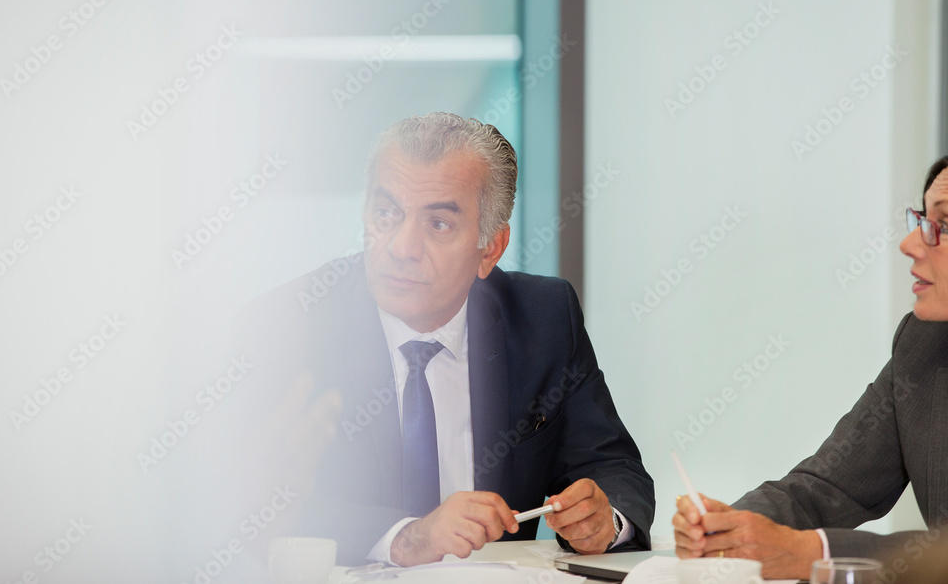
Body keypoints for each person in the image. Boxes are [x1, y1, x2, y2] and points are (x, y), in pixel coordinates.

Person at [233, 112, 655, 566]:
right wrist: (407, 537)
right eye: (386, 214)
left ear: (490, 248)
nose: (401, 248)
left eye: (438, 224)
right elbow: (254, 505)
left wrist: (604, 521)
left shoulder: (543, 317)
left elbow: (612, 467)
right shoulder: (287, 327)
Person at [673, 156, 948, 580]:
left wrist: (812, 552)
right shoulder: (923, 344)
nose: (910, 243)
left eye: (943, 225)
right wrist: (731, 529)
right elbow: (825, 489)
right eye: (922, 219)